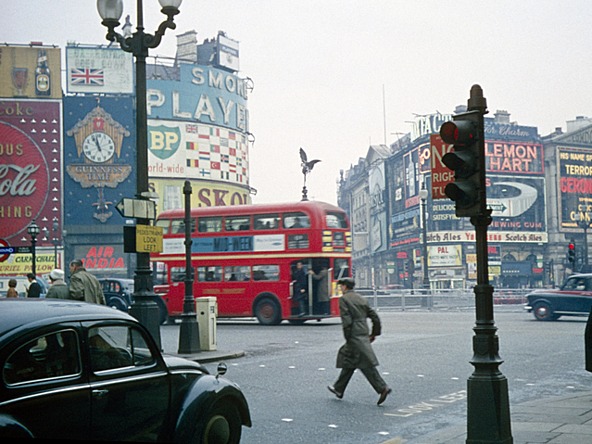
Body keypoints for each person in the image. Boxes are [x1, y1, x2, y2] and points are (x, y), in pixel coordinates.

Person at [328, 277, 392, 406]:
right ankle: (339, 388)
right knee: (349, 359)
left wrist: (347, 336)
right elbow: (374, 317)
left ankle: (382, 388)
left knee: (365, 363)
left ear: (345, 287)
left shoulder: (344, 299)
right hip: (363, 331)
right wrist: (374, 333)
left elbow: (346, 321)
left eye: (341, 286)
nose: (340, 288)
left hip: (354, 334)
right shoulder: (361, 298)